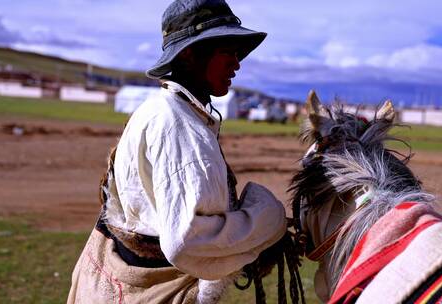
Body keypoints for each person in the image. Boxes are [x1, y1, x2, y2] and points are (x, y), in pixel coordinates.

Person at [67, 0, 287, 303]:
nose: (237, 63)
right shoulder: (177, 125)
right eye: (228, 52)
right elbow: (188, 241)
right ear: (189, 55)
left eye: (238, 53)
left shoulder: (162, 111)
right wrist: (268, 218)